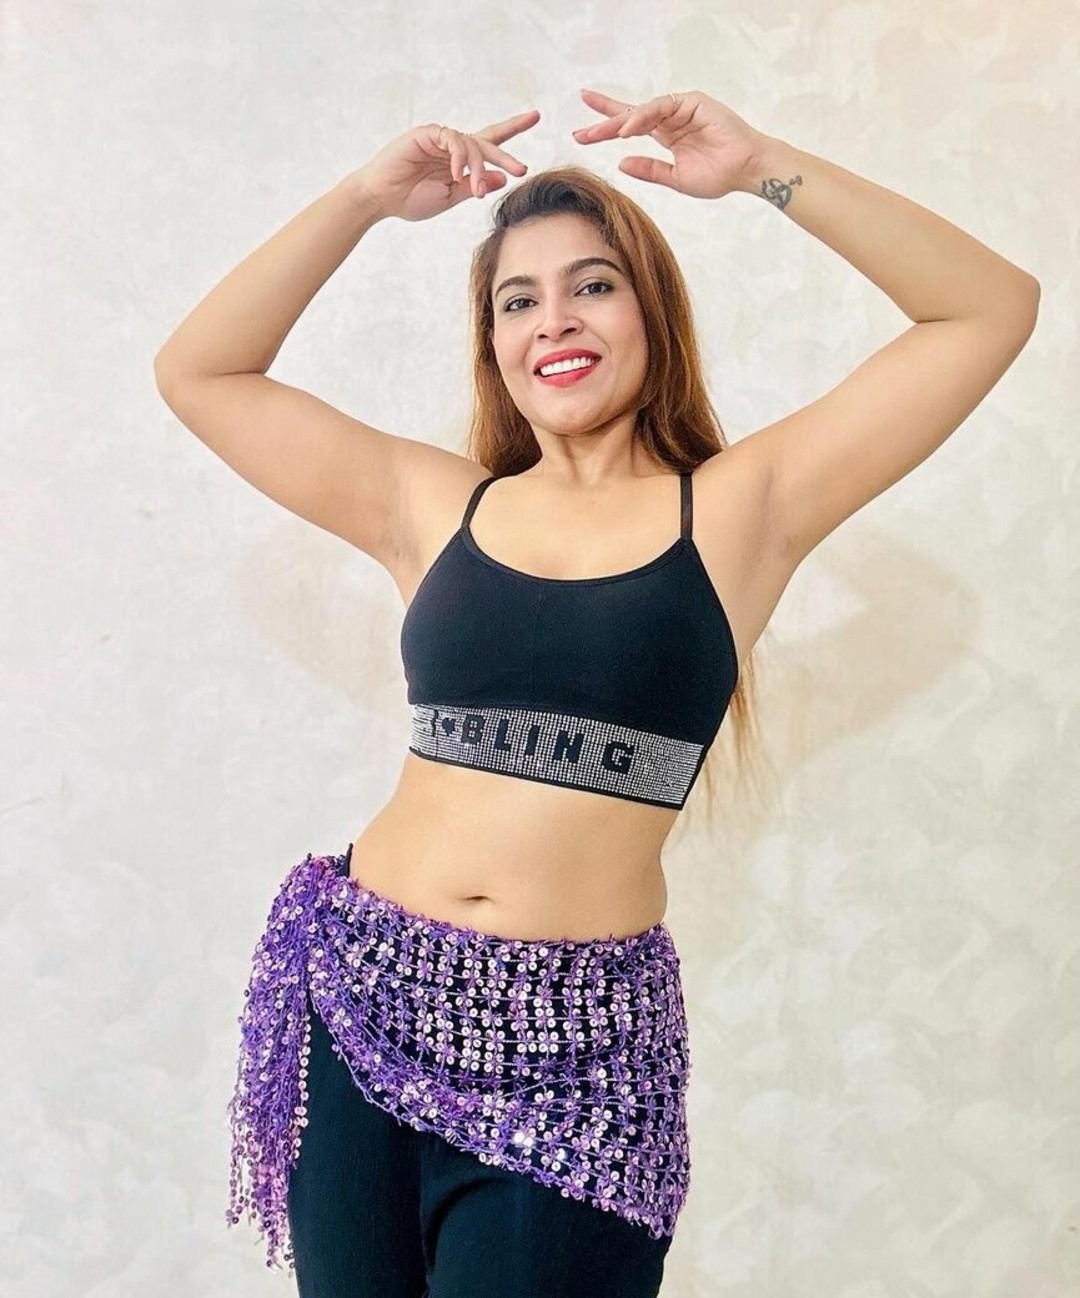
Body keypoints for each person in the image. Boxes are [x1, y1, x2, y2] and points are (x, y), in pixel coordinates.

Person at [154, 87, 1039, 1296]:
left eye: (593, 284)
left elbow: (987, 307)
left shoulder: (738, 510)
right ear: (492, 342)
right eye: (517, 300)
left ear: (650, 311)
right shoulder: (432, 504)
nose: (554, 320)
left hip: (577, 1067)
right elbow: (201, 371)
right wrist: (364, 199)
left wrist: (763, 166)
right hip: (355, 1002)